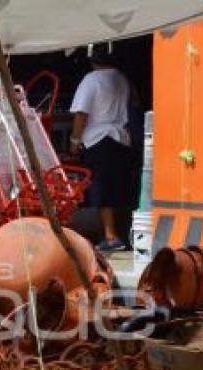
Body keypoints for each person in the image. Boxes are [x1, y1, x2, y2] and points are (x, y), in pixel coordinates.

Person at [70, 48, 133, 253]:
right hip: (120, 138)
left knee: (101, 189)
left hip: (98, 139)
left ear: (92, 59)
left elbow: (81, 113)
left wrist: (74, 140)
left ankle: (110, 236)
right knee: (116, 187)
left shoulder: (92, 79)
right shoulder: (122, 79)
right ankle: (119, 233)